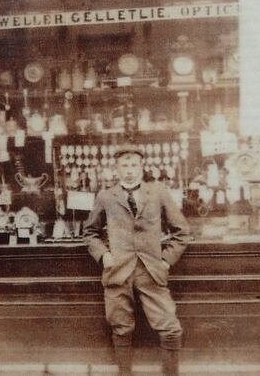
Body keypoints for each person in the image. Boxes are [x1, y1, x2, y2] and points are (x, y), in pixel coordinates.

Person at [82, 143, 190, 376]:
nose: (129, 170)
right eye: (124, 165)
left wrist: (166, 260)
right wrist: (104, 255)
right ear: (116, 169)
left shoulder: (158, 192)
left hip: (151, 271)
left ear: (142, 167)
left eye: (133, 165)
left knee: (170, 329)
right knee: (121, 329)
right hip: (117, 271)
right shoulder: (106, 196)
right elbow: (89, 233)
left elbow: (182, 232)